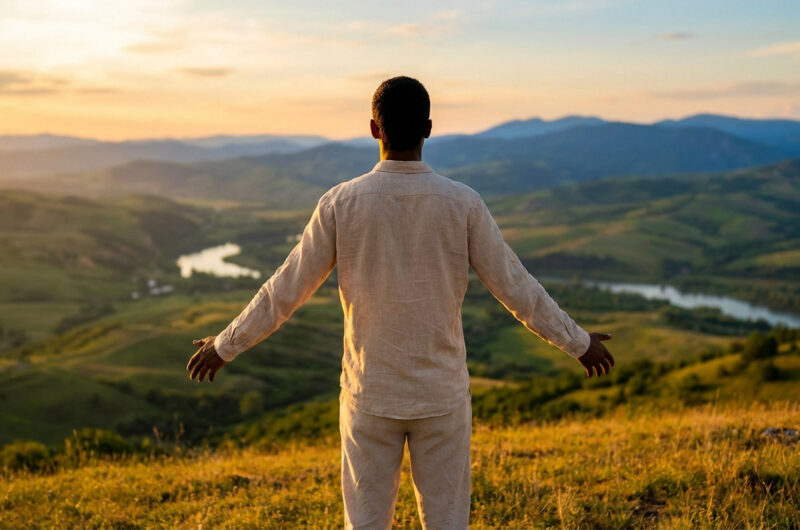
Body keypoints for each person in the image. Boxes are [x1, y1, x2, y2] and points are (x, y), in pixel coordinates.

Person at [186, 75, 615, 529]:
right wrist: (578, 341)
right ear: (429, 128)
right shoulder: (463, 204)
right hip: (442, 396)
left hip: (369, 395)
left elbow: (285, 290)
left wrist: (226, 344)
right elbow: (516, 287)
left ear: (374, 128)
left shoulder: (340, 204)